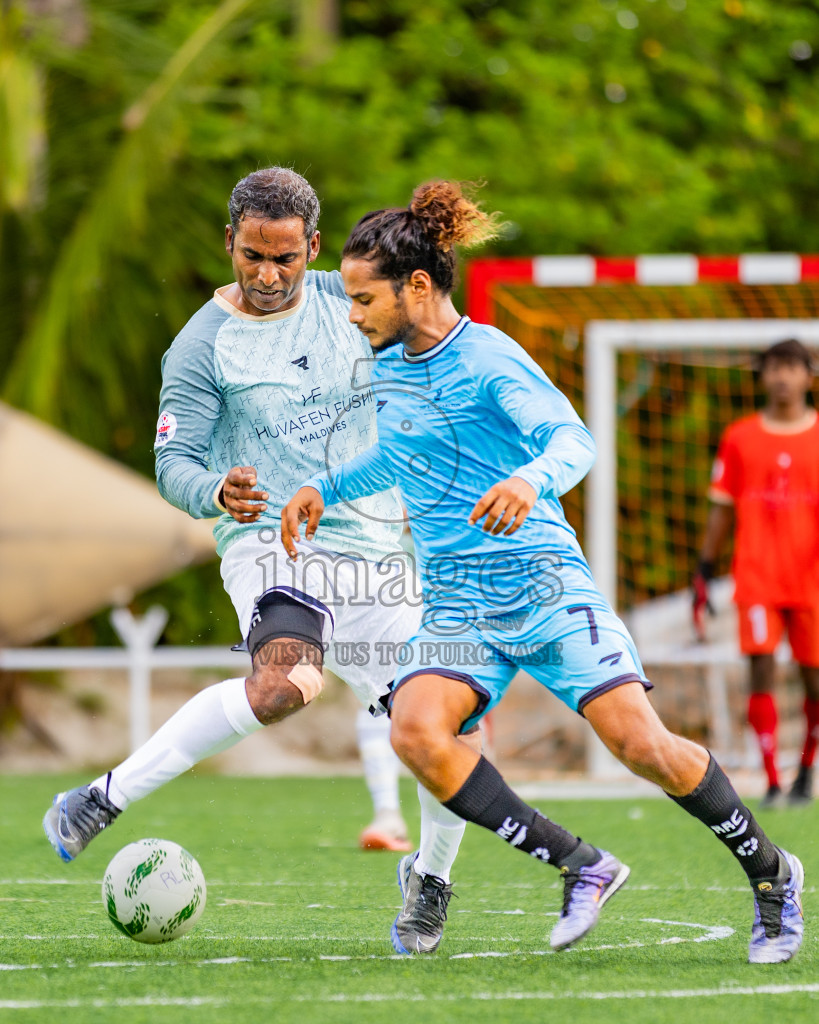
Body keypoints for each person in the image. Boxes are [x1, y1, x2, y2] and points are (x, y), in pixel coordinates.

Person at [281, 180, 805, 965]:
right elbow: (399, 452)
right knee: (416, 731)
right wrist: (326, 487)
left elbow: (574, 442)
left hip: (542, 587)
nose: (353, 315)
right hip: (458, 602)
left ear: (415, 287)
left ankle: (771, 875)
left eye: (363, 299)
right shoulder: (387, 365)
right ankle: (580, 864)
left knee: (640, 746)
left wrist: (528, 481)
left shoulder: (490, 356)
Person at [42, 168, 473, 932]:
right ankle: (97, 800)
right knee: (281, 686)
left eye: (284, 258)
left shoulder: (358, 304)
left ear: (312, 247)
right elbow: (173, 462)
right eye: (251, 256)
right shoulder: (202, 346)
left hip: (378, 548)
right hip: (271, 542)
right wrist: (213, 491)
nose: (267, 275)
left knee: (446, 723)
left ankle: (430, 877)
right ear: (230, 244)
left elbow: (436, 367)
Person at [693, 339, 819, 809]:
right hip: (759, 576)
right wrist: (704, 567)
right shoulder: (740, 436)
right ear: (762, 375)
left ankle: (806, 768)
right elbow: (721, 509)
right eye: (774, 368)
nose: (783, 377)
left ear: (809, 375)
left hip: (812, 580)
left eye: (792, 368)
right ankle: (770, 779)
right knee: (760, 669)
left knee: (814, 681)